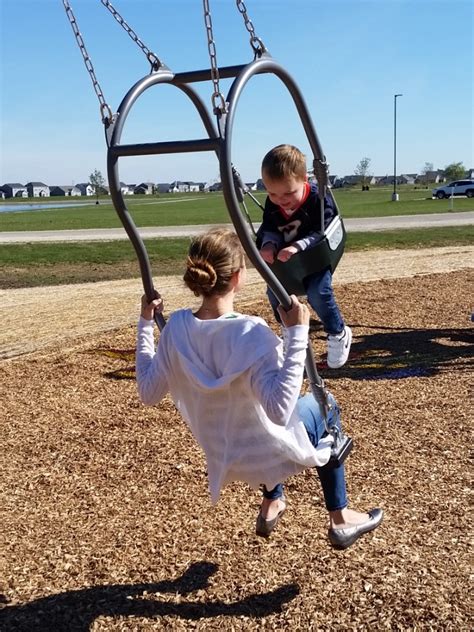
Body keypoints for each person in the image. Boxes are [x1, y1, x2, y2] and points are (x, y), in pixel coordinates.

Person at [136, 228, 382, 549]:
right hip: (268, 449)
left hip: (227, 453)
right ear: (239, 277)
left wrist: (144, 322)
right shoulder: (250, 332)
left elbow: (148, 392)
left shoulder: (176, 330)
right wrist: (296, 334)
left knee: (248, 408)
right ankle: (340, 517)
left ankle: (272, 501)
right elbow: (279, 410)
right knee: (325, 406)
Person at [257, 144, 352, 369]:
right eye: (272, 193)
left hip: (315, 257)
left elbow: (323, 230)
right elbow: (270, 227)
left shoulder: (319, 199)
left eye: (289, 193)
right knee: (274, 292)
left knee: (318, 292)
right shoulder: (273, 204)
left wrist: (298, 246)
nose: (281, 200)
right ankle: (291, 331)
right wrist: (269, 244)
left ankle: (338, 332)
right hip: (287, 264)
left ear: (305, 180)